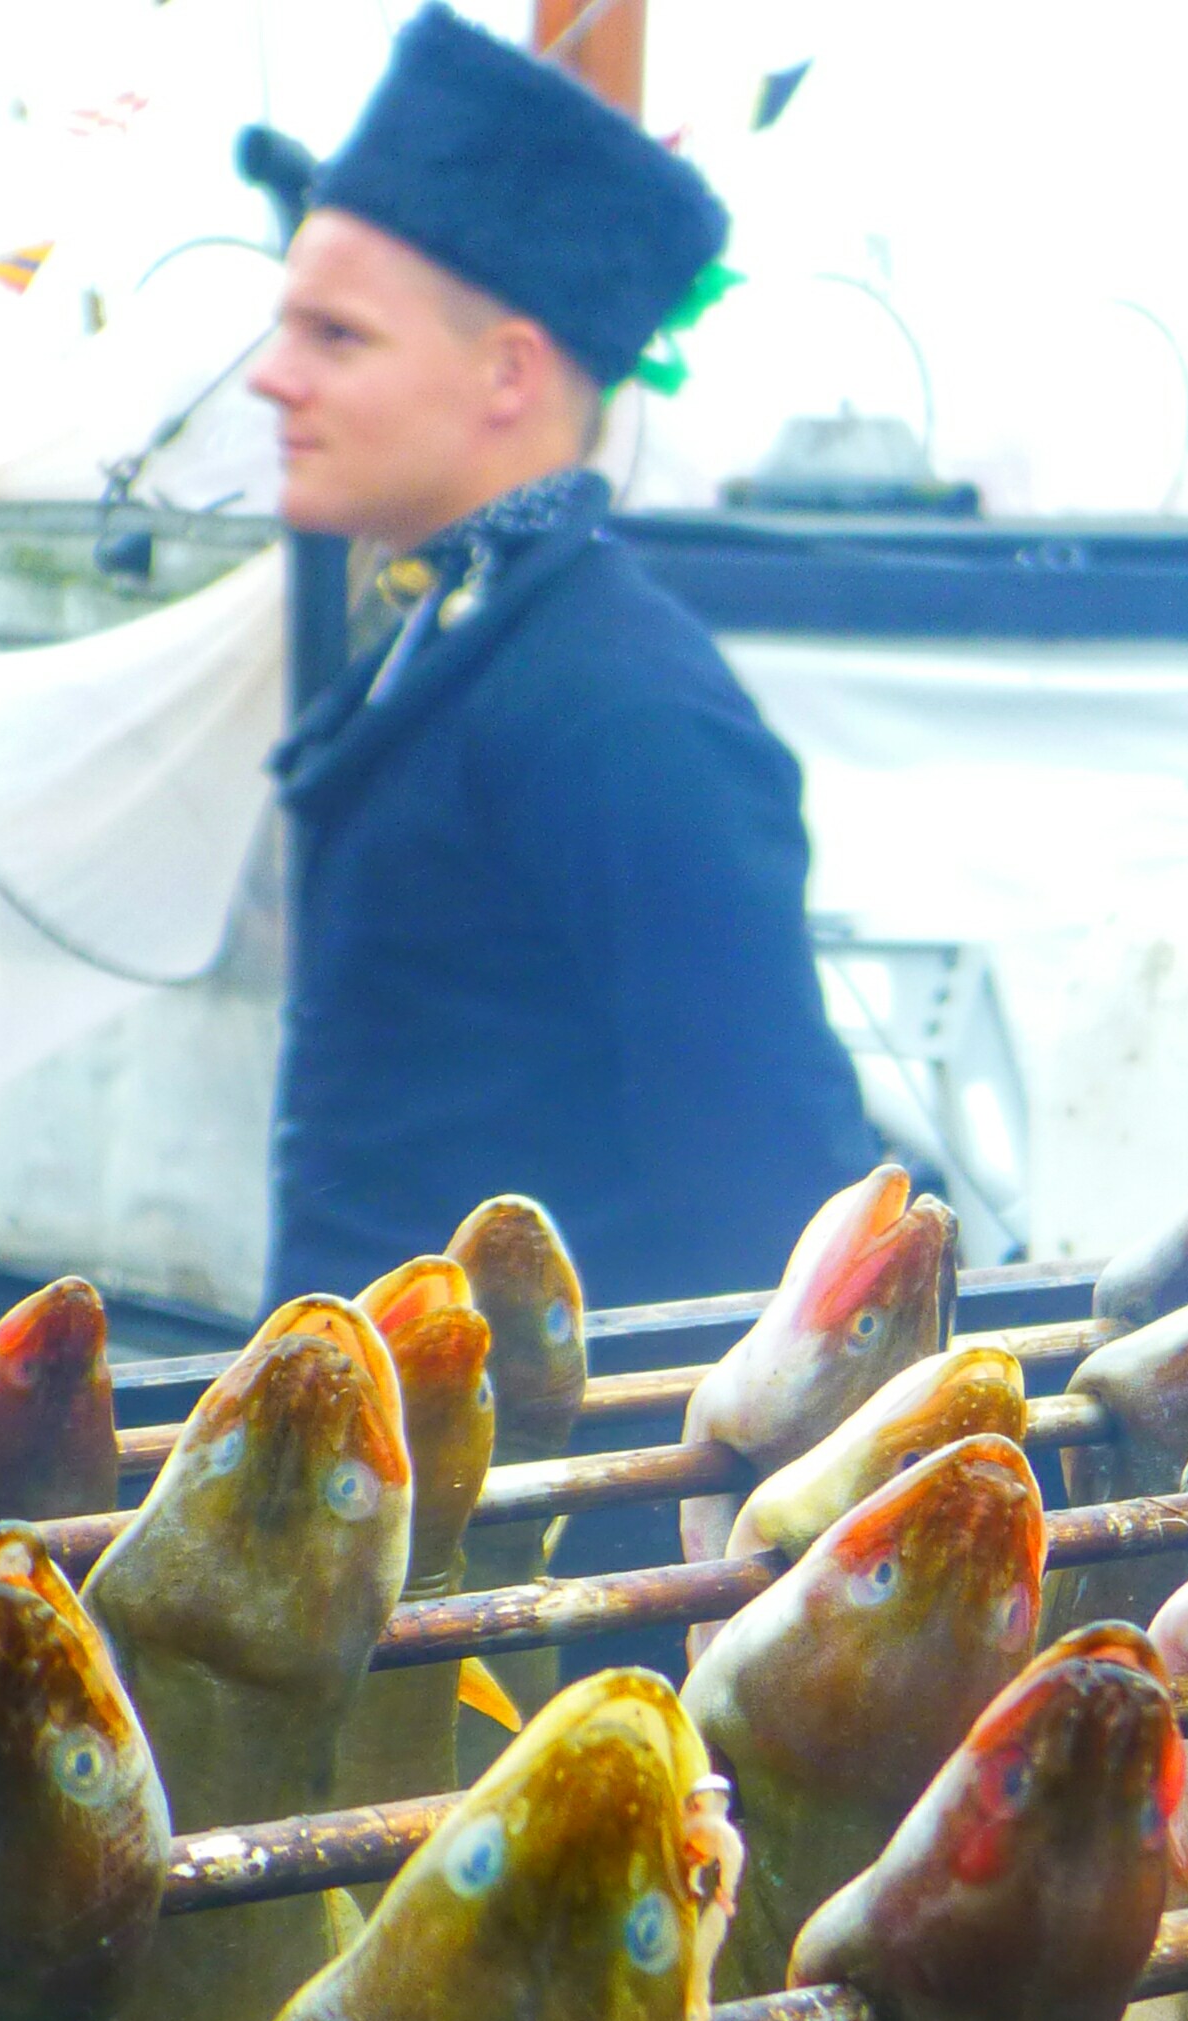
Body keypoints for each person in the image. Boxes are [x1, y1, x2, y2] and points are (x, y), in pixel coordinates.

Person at [241, 6, 876, 1310]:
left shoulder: (620, 707)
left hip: (526, 1497)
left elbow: (773, 1208)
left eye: (336, 336)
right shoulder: (466, 628)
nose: (269, 378)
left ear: (508, 375)